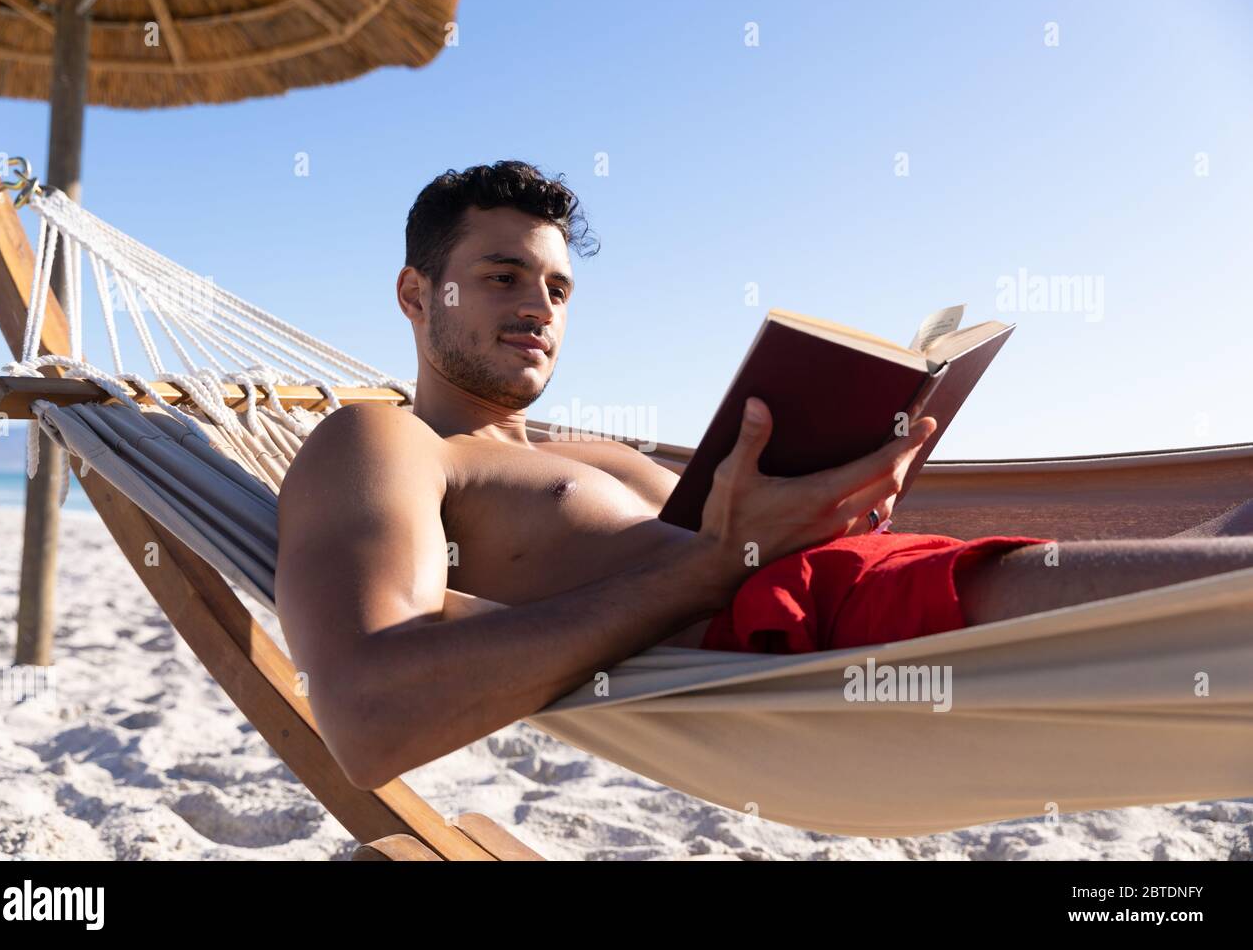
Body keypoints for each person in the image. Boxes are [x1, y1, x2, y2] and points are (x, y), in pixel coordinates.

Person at [274, 161, 1253, 791]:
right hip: (840, 619)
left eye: (558, 287)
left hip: (901, 571)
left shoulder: (586, 454)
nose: (539, 305)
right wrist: (711, 568)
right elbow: (368, 716)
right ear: (416, 291)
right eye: (501, 276)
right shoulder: (387, 446)